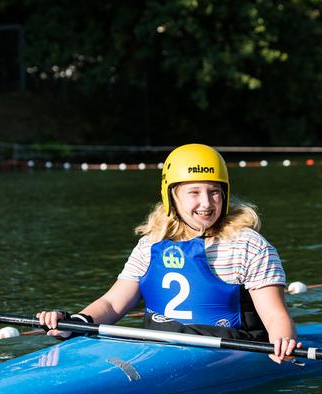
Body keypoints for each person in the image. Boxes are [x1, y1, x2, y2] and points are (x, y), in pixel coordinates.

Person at [37, 143, 299, 363]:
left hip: (231, 353)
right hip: (159, 352)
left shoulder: (248, 245)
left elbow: (275, 315)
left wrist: (282, 344)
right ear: (172, 197)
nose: (206, 203)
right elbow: (112, 303)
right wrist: (74, 322)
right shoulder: (151, 244)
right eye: (194, 193)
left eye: (215, 192)